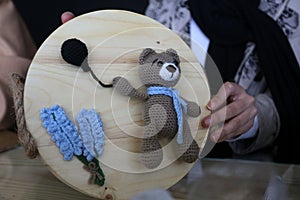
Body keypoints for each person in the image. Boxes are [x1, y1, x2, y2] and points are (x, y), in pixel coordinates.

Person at [0, 0, 299, 163]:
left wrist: (255, 117)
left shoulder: (290, 12)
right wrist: (92, 64)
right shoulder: (168, 6)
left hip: (253, 174)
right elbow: (140, 75)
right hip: (164, 174)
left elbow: (291, 98)